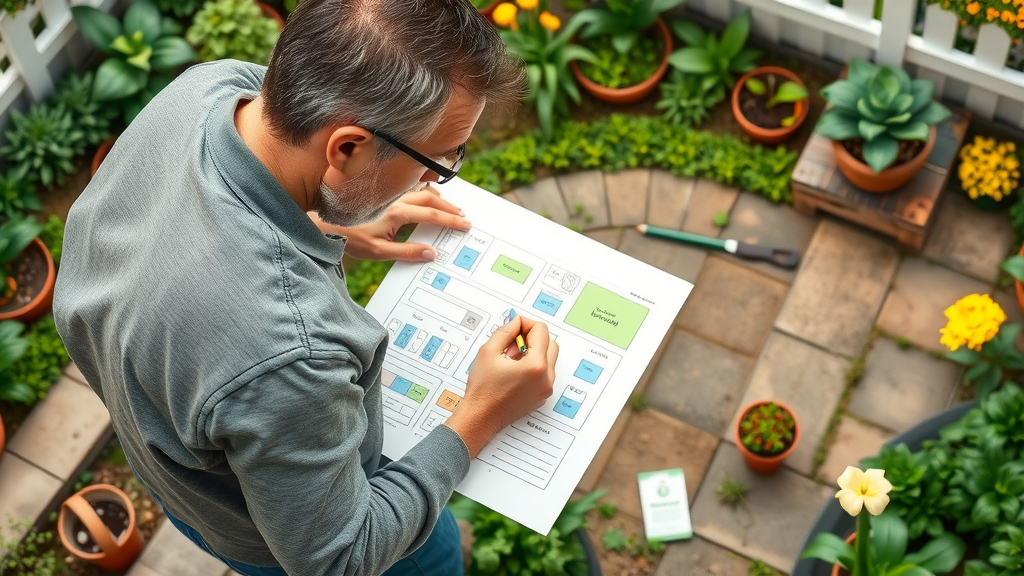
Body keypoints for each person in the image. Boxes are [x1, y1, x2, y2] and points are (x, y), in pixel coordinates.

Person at [52, 1, 560, 575]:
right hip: (288, 535)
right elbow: (340, 558)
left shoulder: (209, 90)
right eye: (439, 159)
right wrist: (483, 413)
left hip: (187, 478)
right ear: (346, 149)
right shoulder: (289, 354)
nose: (433, 176)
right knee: (432, 554)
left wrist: (323, 219)